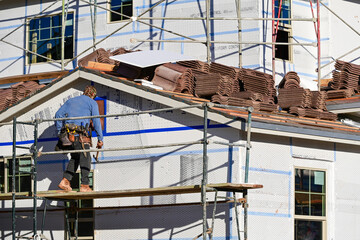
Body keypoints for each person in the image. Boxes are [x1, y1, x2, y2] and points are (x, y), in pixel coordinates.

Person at [55, 85, 103, 192]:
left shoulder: (70, 101)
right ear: (93, 95)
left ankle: (65, 181)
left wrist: (60, 132)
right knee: (86, 158)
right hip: (81, 137)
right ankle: (85, 185)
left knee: (75, 157)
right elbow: (96, 121)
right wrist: (100, 138)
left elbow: (58, 115)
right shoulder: (92, 103)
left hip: (68, 137)